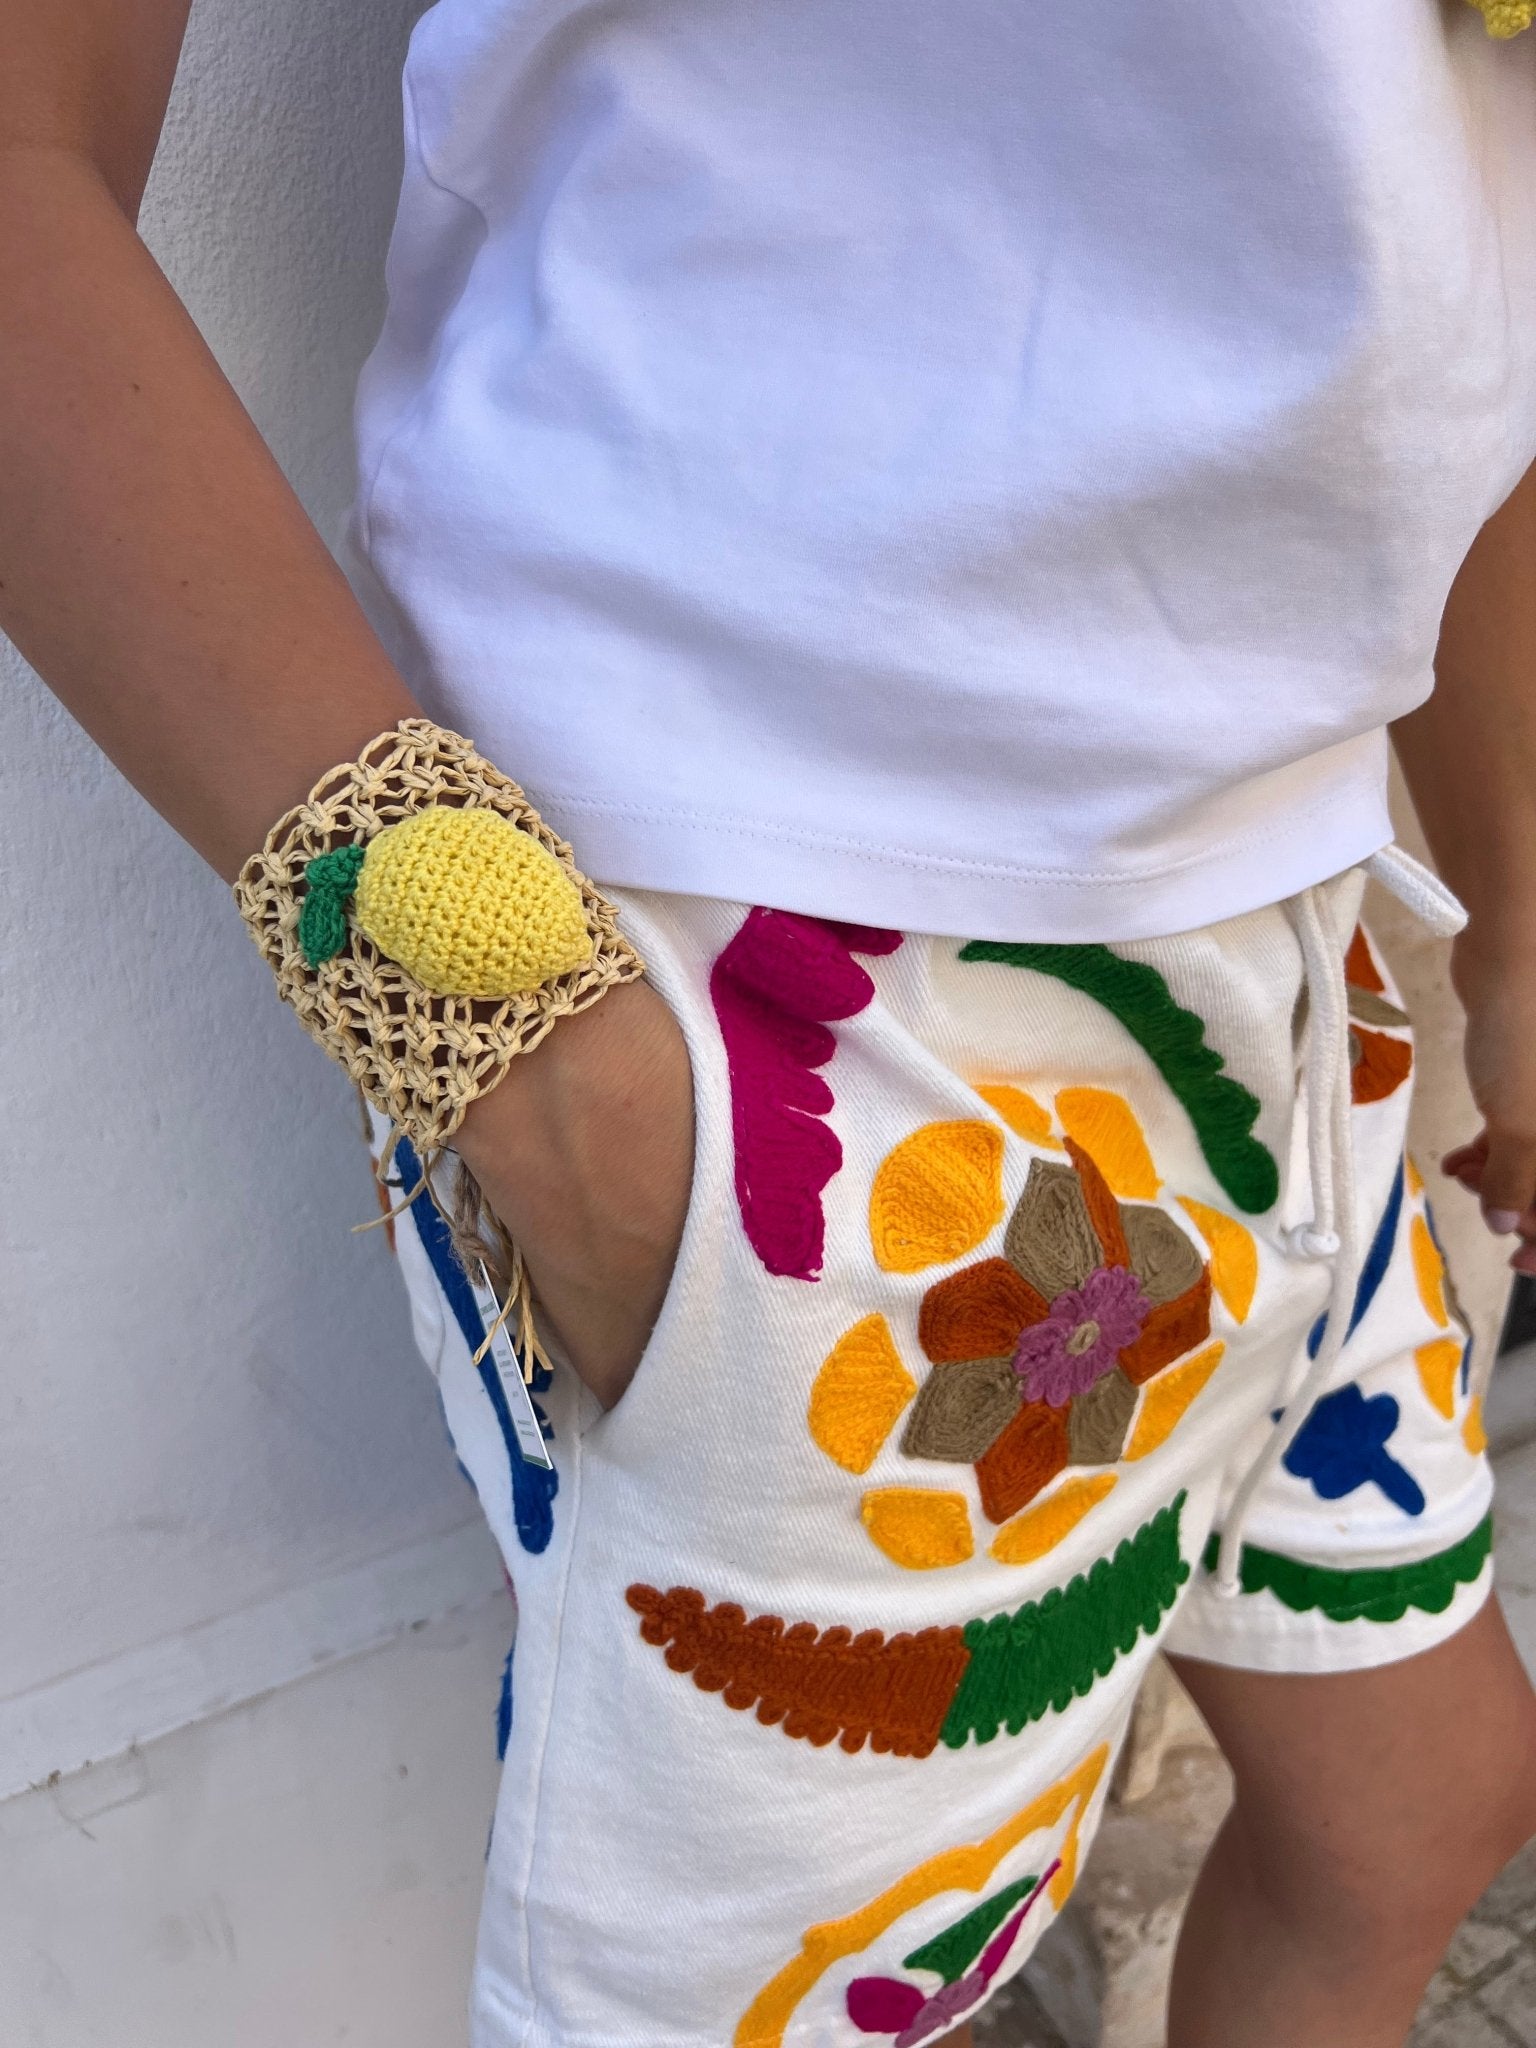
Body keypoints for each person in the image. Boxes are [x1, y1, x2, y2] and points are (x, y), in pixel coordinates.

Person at [6, 3, 1536, 2044]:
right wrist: (537, 1062)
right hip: (813, 999)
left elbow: (1431, 184)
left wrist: (1520, 914)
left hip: (1284, 911)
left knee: (1410, 1802)